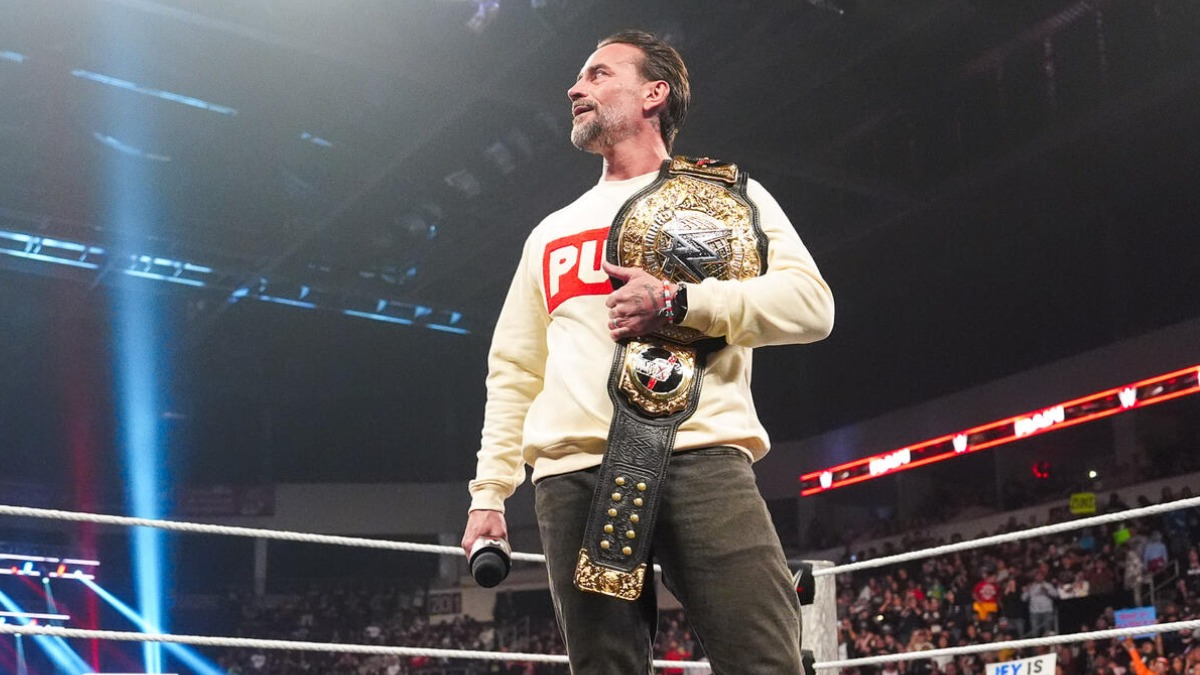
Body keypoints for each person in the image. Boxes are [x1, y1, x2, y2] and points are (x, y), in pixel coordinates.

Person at [460, 29, 835, 673]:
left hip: (702, 458)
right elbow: (515, 370)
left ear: (654, 94)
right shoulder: (550, 232)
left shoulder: (727, 196)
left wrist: (680, 303)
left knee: (766, 660)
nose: (575, 89)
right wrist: (489, 493)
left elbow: (811, 306)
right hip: (574, 475)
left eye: (599, 74)